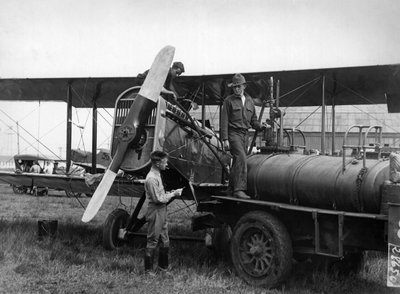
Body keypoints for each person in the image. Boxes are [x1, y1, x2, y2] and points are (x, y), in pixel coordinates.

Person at [221, 73, 265, 199]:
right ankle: (239, 190)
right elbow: (224, 121)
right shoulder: (228, 101)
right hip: (233, 133)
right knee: (241, 158)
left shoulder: (250, 101)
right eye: (234, 87)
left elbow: (254, 121)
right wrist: (225, 139)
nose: (236, 89)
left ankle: (230, 189)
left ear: (244, 86)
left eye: (238, 86)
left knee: (237, 162)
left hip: (245, 135)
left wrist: (260, 126)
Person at [144, 150, 183, 275]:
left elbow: (161, 195)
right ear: (157, 162)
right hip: (155, 211)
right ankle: (148, 271)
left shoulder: (158, 174)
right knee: (153, 240)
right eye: (165, 161)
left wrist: (171, 193)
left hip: (161, 210)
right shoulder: (151, 179)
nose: (167, 164)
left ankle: (163, 268)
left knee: (165, 240)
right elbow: (158, 199)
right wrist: (174, 194)